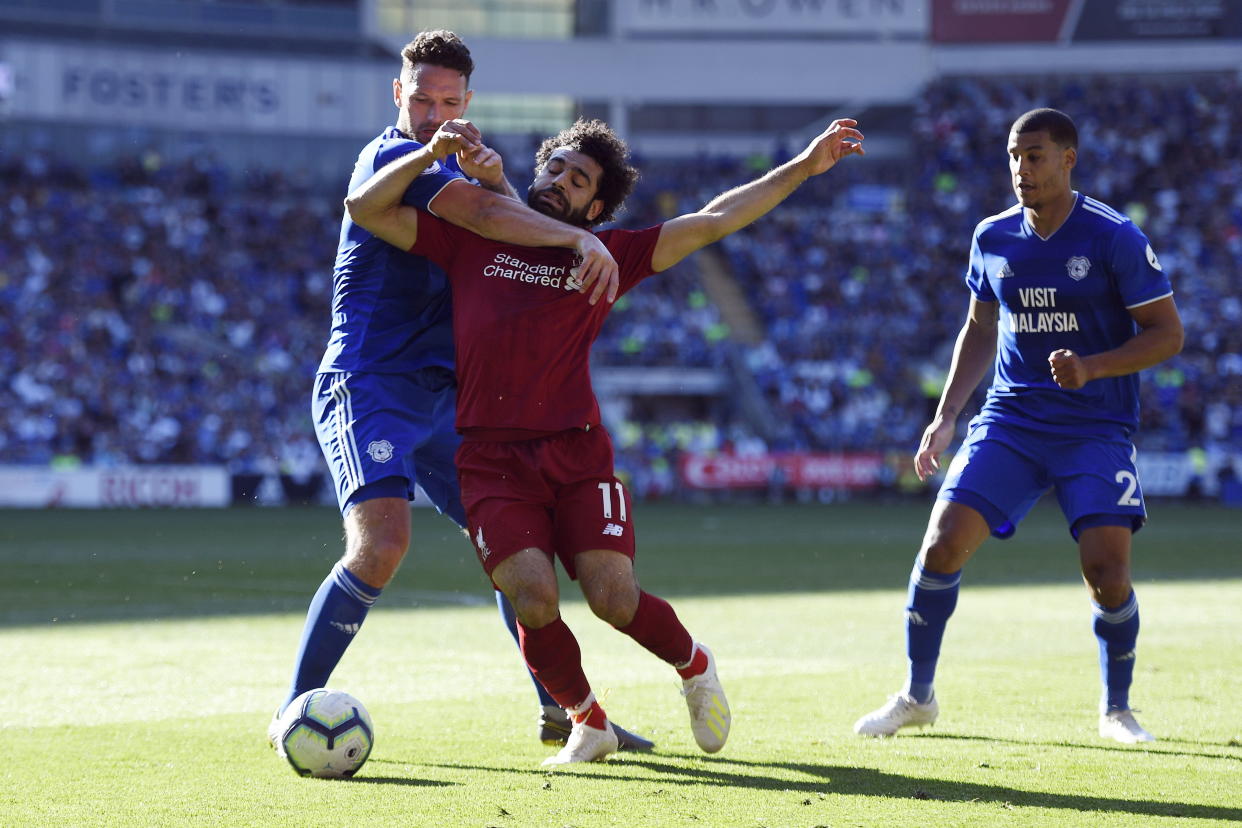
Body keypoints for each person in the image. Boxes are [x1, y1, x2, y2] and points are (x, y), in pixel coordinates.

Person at [345, 115, 865, 764]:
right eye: (555, 168)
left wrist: (804, 166)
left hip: (575, 453)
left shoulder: (610, 251)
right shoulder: (470, 234)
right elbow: (365, 209)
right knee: (531, 597)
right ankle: (588, 721)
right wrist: (428, 153)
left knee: (612, 598)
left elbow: (712, 221)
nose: (560, 180)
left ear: (596, 206)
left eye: (578, 178)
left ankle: (695, 665)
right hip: (489, 457)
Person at [270, 30, 654, 753]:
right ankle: (293, 710)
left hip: (451, 399)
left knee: (522, 550)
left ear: (468, 101)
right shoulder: (390, 156)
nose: (433, 113)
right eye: (421, 99)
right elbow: (482, 220)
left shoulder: (474, 173)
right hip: (372, 379)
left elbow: (504, 226)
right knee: (382, 544)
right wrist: (577, 238)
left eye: (447, 101)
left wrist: (505, 184)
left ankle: (567, 713)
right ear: (398, 96)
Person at [852, 108, 1183, 744]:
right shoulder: (993, 236)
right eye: (1013, 156)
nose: (1021, 169)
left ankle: (1116, 708)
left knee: (1107, 576)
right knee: (941, 545)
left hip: (1094, 425)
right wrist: (946, 415)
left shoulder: (1113, 237)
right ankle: (916, 695)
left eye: (1034, 156)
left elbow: (1169, 334)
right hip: (1011, 419)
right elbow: (979, 327)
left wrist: (1093, 366)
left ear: (1068, 160)